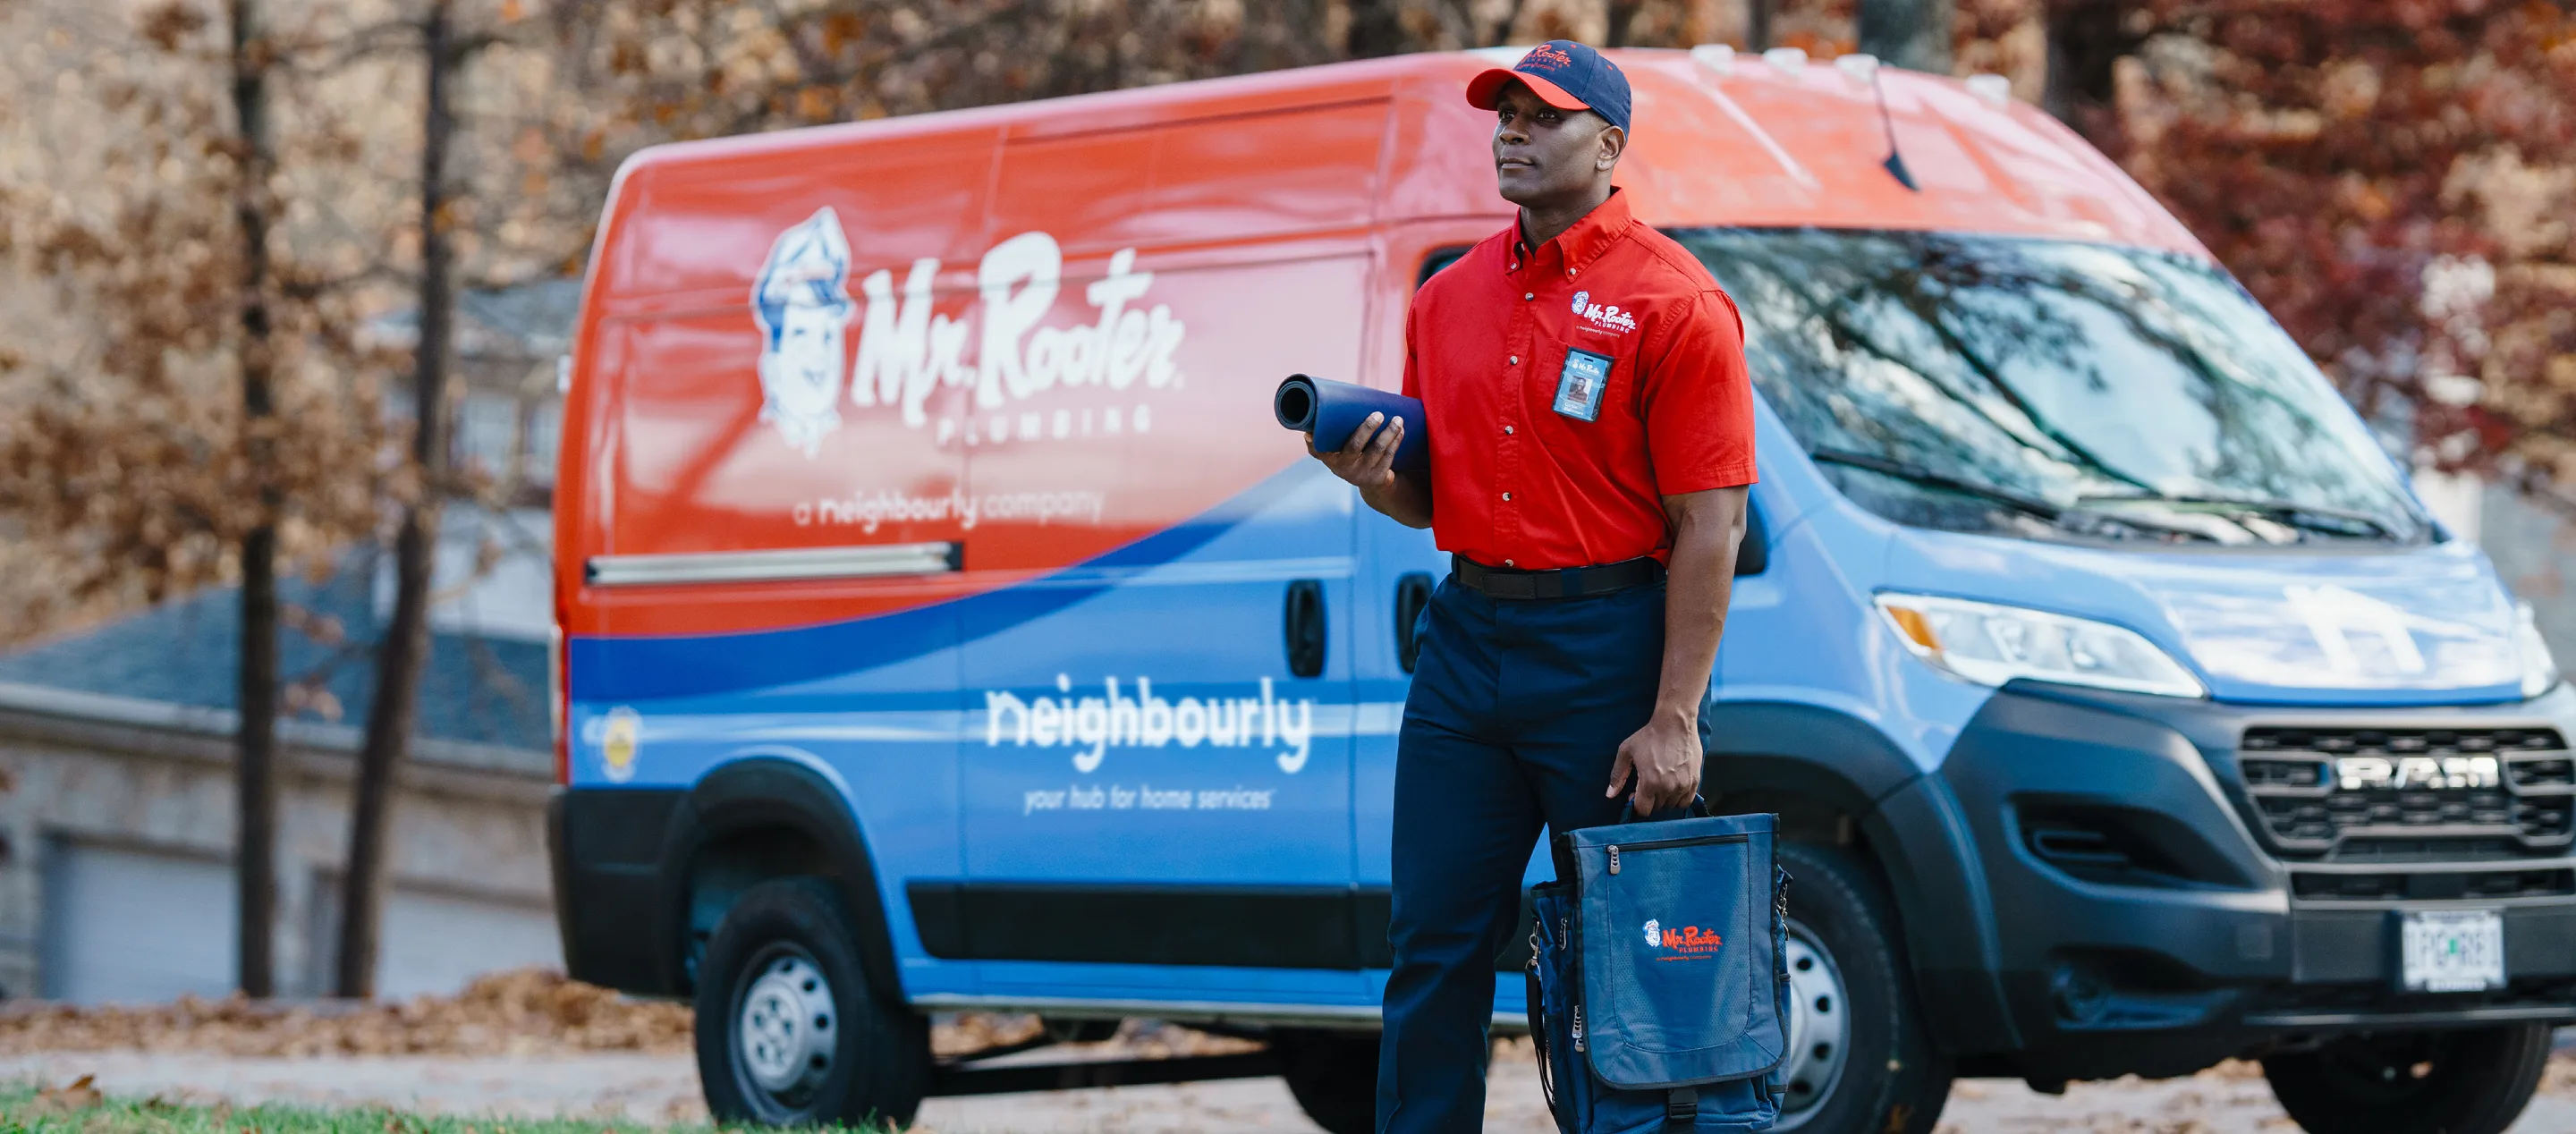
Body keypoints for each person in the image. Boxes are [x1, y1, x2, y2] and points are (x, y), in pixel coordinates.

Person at [1302, 39, 1758, 1134]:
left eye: (1540, 117)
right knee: (1434, 946)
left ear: (1608, 147)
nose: (1511, 131)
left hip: (1608, 647)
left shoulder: (1678, 303)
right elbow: (1427, 500)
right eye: (1503, 113)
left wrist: (1674, 716)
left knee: (1622, 951)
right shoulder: (1445, 298)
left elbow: (1713, 524)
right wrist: (1374, 482)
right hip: (1466, 643)